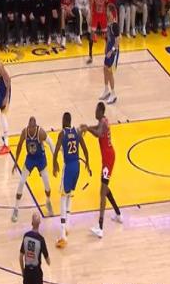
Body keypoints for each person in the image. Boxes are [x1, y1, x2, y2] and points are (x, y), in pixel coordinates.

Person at [80, 102, 122, 238]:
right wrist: (87, 127)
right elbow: (97, 128)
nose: (95, 112)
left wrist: (87, 128)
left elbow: (98, 133)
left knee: (102, 192)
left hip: (108, 159)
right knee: (105, 187)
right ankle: (118, 214)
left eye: (96, 110)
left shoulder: (103, 123)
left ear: (100, 111)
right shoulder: (103, 121)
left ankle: (100, 226)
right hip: (108, 157)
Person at [53, 112, 90, 248]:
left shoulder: (62, 134)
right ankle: (67, 225)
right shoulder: (77, 132)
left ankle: (63, 235)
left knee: (63, 198)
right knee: (69, 195)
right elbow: (85, 150)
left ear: (64, 120)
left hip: (68, 167)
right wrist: (88, 163)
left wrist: (54, 164)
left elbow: (56, 151)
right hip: (77, 167)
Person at [12, 117, 55, 222]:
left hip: (40, 159)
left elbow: (50, 143)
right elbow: (19, 146)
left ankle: (48, 202)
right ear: (28, 126)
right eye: (30, 127)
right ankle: (16, 209)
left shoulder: (40, 132)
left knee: (47, 184)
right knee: (21, 182)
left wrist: (55, 160)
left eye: (33, 127)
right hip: (30, 159)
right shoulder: (25, 132)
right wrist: (16, 162)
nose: (31, 129)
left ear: (35, 127)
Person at [19, 212, 50, 284]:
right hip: (37, 275)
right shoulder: (41, 239)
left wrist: (23, 272)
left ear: (31, 223)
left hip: (27, 273)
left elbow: (20, 257)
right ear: (39, 223)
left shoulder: (26, 236)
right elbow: (48, 261)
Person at [99, 4, 120, 104]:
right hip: (108, 50)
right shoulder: (108, 23)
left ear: (111, 12)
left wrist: (111, 51)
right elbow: (108, 38)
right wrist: (106, 47)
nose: (106, 12)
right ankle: (106, 90)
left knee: (110, 71)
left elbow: (118, 40)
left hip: (114, 51)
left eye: (107, 11)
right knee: (105, 68)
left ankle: (113, 94)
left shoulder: (115, 25)